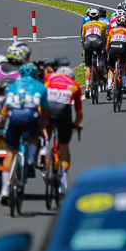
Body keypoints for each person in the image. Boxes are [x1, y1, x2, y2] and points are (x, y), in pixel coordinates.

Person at [0, 62, 49, 206]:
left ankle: (4, 189)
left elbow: (5, 110)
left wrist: (5, 124)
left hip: (14, 116)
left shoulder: (13, 85)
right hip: (30, 116)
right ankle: (31, 159)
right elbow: (45, 112)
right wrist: (43, 127)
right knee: (34, 134)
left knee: (10, 152)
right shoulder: (40, 86)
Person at [44, 65, 83, 195]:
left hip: (48, 109)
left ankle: (43, 149)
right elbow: (79, 113)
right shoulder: (75, 86)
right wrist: (77, 124)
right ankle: (63, 183)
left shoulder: (50, 78)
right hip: (63, 112)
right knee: (65, 147)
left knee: (46, 128)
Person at [81, 9, 109, 98]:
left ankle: (87, 88)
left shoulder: (85, 25)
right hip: (98, 43)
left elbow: (83, 38)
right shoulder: (102, 25)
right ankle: (100, 67)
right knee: (100, 54)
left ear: (89, 17)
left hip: (88, 43)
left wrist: (84, 48)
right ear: (98, 17)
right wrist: (105, 49)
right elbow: (104, 39)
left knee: (88, 66)